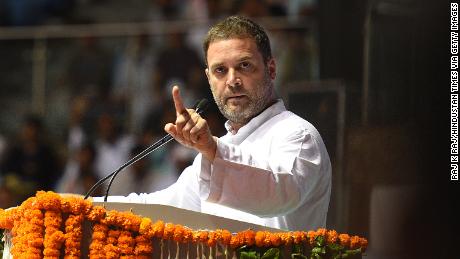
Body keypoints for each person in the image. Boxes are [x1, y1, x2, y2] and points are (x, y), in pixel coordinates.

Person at [98, 15, 331, 231]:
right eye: (220, 70)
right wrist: (79, 204)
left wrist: (213, 149)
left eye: (244, 66)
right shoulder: (215, 153)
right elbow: (160, 208)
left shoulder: (298, 134)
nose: (232, 81)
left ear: (271, 69)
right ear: (209, 78)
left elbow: (280, 194)